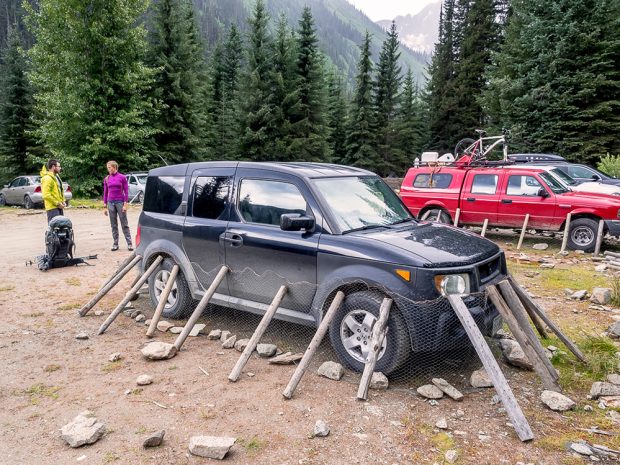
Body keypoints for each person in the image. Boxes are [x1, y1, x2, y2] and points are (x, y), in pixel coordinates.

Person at [103, 161, 133, 251]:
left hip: (120, 202)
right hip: (110, 203)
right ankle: (115, 244)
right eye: (107, 168)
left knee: (124, 223)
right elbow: (105, 193)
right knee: (113, 225)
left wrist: (125, 204)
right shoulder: (107, 179)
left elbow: (126, 191)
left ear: (114, 167)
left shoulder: (122, 177)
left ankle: (129, 243)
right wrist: (104, 206)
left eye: (109, 167)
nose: (108, 169)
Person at [40, 159, 66, 223]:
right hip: (52, 208)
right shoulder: (47, 178)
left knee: (61, 228)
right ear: (53, 167)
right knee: (54, 229)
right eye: (59, 166)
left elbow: (59, 191)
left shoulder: (56, 177)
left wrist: (63, 201)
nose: (60, 168)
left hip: (59, 206)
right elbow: (46, 195)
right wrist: (57, 203)